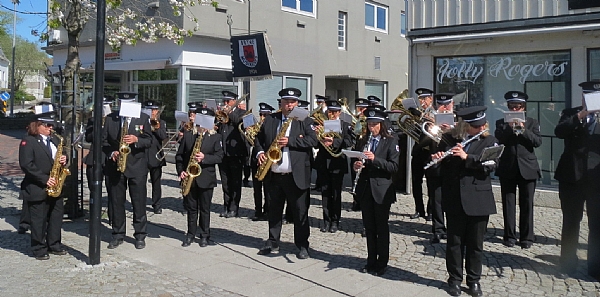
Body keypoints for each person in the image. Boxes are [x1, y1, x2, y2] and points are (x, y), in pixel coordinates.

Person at [431, 106, 499, 297]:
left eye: (482, 125)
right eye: (475, 126)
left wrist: (467, 157)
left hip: (478, 199)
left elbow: (491, 165)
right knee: (454, 243)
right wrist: (439, 160)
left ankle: (474, 280)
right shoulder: (449, 139)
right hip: (454, 197)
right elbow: (441, 170)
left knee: (476, 244)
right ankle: (454, 280)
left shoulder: (491, 141)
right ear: (464, 126)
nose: (480, 128)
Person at [255, 87, 318, 259]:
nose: (289, 105)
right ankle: (273, 241)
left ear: (297, 103)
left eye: (293, 102)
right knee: (274, 211)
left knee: (299, 212)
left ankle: (302, 245)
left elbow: (313, 140)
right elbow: (258, 140)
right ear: (280, 103)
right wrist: (260, 153)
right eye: (286, 102)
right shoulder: (270, 119)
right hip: (274, 174)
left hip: (296, 175)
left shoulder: (305, 120)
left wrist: (290, 141)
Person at [554, 81, 600, 281]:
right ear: (582, 97)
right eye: (587, 95)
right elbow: (559, 131)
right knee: (571, 222)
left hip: (596, 180)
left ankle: (595, 267)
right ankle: (567, 264)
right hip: (571, 178)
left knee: (597, 225)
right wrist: (581, 114)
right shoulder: (570, 113)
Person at [352, 106, 399, 276]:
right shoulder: (364, 140)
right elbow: (359, 161)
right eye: (369, 124)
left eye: (375, 124)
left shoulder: (391, 141)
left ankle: (382, 263)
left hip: (382, 190)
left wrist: (375, 159)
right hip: (365, 189)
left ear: (382, 124)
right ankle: (370, 260)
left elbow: (394, 167)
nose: (371, 128)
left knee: (381, 227)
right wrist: (356, 165)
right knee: (369, 228)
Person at [102, 92, 152, 250]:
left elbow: (150, 140)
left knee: (139, 202)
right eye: (122, 103)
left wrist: (137, 140)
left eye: (128, 103)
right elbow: (103, 142)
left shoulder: (142, 118)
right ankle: (117, 234)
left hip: (137, 166)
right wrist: (112, 152)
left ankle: (140, 235)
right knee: (116, 202)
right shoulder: (111, 118)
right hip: (116, 167)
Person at [19, 111, 69, 260]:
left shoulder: (54, 140)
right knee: (38, 219)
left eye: (51, 125)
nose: (50, 128)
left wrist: (63, 159)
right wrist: (44, 179)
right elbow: (26, 165)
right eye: (47, 125)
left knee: (56, 216)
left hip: (55, 184)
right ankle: (39, 248)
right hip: (38, 186)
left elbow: (61, 156)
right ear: (37, 125)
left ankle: (54, 244)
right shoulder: (28, 141)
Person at [495, 91, 541, 249]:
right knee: (508, 203)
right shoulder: (500, 123)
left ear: (523, 107)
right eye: (512, 106)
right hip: (508, 167)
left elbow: (537, 142)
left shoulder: (532, 122)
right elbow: (499, 141)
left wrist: (522, 129)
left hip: (527, 168)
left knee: (527, 203)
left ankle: (527, 237)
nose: (515, 109)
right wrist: (509, 128)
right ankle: (509, 236)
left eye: (518, 106)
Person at [176, 107, 223, 247]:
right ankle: (190, 234)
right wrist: (181, 171)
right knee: (191, 208)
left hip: (206, 178)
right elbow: (179, 156)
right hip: (190, 177)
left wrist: (205, 158)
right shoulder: (189, 135)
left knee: (205, 208)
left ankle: (204, 235)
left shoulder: (216, 137)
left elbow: (220, 157)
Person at [314, 99, 354, 233]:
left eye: (335, 112)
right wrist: (317, 136)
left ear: (339, 112)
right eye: (330, 112)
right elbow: (314, 144)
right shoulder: (321, 124)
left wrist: (334, 141)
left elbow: (349, 141)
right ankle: (326, 221)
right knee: (325, 193)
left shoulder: (345, 125)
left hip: (338, 163)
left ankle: (335, 221)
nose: (332, 114)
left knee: (336, 194)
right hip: (323, 162)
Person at [425, 93, 454, 243]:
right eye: (441, 105)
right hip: (435, 164)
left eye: (447, 105)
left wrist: (450, 129)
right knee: (436, 199)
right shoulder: (430, 119)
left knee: (451, 199)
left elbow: (462, 139)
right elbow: (422, 142)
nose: (444, 108)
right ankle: (438, 229)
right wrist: (431, 129)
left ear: (452, 104)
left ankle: (452, 229)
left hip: (452, 165)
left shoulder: (460, 120)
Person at [216, 91, 247, 218]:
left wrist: (230, 112)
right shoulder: (221, 115)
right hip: (223, 153)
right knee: (225, 182)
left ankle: (234, 207)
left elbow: (241, 123)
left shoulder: (241, 113)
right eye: (224, 101)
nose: (225, 104)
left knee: (235, 182)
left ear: (235, 101)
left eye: (228, 101)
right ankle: (226, 206)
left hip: (236, 153)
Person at [84, 96, 113, 221]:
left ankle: (112, 216)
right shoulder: (93, 120)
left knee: (112, 189)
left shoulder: (113, 120)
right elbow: (88, 138)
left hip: (108, 156)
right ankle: (94, 214)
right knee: (93, 187)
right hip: (94, 156)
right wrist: (97, 125)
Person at [410, 88, 435, 220]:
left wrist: (422, 117)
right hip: (418, 151)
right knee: (416, 182)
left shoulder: (434, 112)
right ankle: (419, 209)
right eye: (420, 99)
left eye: (425, 99)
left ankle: (431, 211)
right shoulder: (418, 113)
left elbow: (436, 126)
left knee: (431, 182)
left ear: (430, 98)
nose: (422, 102)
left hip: (429, 152)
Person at [250, 102, 275, 221]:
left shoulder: (272, 125)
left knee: (268, 188)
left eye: (265, 115)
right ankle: (257, 211)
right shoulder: (255, 125)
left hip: (268, 159)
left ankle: (268, 210)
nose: (262, 117)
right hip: (256, 158)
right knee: (256, 188)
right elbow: (254, 141)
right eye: (261, 114)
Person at [145, 100, 168, 214]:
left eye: (153, 110)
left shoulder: (161, 122)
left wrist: (157, 127)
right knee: (140, 182)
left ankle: (156, 205)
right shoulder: (141, 121)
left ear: (157, 111)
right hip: (143, 156)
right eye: (149, 110)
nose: (151, 112)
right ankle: (140, 203)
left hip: (156, 156)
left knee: (156, 182)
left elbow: (164, 136)